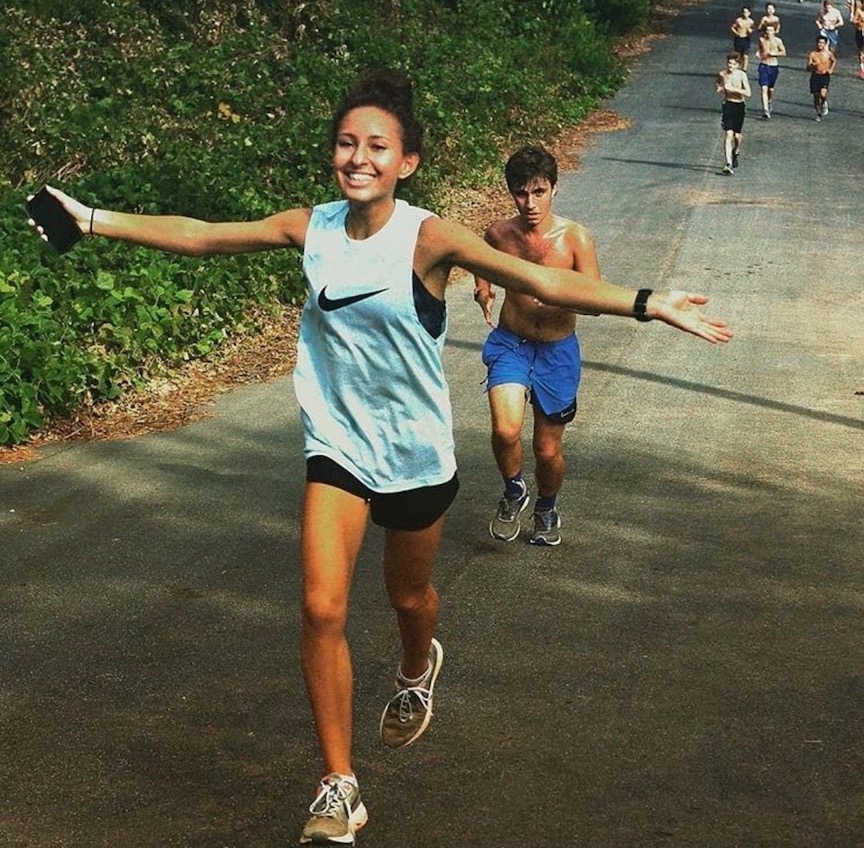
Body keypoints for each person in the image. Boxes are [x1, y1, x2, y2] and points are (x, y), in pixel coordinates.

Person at [28, 69, 732, 847]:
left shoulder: (429, 238)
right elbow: (201, 234)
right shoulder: (312, 226)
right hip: (337, 447)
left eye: (376, 147)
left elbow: (536, 277)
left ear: (408, 163)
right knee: (322, 607)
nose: (357, 158)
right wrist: (88, 217)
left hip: (416, 453)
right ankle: (339, 784)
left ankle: (415, 664)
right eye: (345, 143)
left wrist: (647, 303)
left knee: (410, 598)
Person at [473, 146, 599, 546]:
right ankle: (514, 491)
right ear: (510, 192)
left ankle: (546, 506)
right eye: (521, 193)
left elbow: (596, 299)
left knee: (546, 451)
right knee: (505, 430)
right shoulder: (499, 234)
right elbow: (483, 263)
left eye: (539, 192)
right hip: (511, 343)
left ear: (555, 190)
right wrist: (483, 290)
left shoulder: (576, 238)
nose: (530, 203)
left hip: (557, 350)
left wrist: (560, 296)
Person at [715, 52, 752, 174]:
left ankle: (736, 151)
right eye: (729, 63)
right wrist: (719, 88)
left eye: (733, 64)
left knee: (737, 136)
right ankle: (728, 163)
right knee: (728, 134)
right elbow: (717, 82)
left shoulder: (742, 75)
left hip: (739, 105)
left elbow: (748, 93)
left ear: (738, 65)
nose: (730, 66)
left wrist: (733, 89)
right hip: (728, 105)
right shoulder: (723, 74)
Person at [756, 24, 787, 118]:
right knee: (763, 88)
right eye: (767, 30)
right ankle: (765, 110)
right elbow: (760, 49)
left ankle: (769, 102)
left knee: (770, 89)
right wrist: (758, 53)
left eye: (771, 30)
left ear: (774, 31)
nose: (769, 32)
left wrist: (774, 53)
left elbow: (784, 52)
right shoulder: (762, 40)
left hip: (773, 66)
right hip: (764, 65)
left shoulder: (778, 41)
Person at [807, 35, 837, 120]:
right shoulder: (813, 54)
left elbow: (834, 60)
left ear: (825, 44)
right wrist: (812, 65)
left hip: (824, 75)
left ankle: (824, 103)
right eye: (819, 42)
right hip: (815, 76)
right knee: (816, 96)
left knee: (823, 94)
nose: (820, 45)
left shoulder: (828, 54)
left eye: (822, 43)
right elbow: (808, 67)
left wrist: (831, 69)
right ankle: (818, 113)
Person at [851, 0, 864, 77]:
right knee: (861, 51)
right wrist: (860, 21)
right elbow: (854, 21)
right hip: (860, 31)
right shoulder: (859, 11)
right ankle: (862, 69)